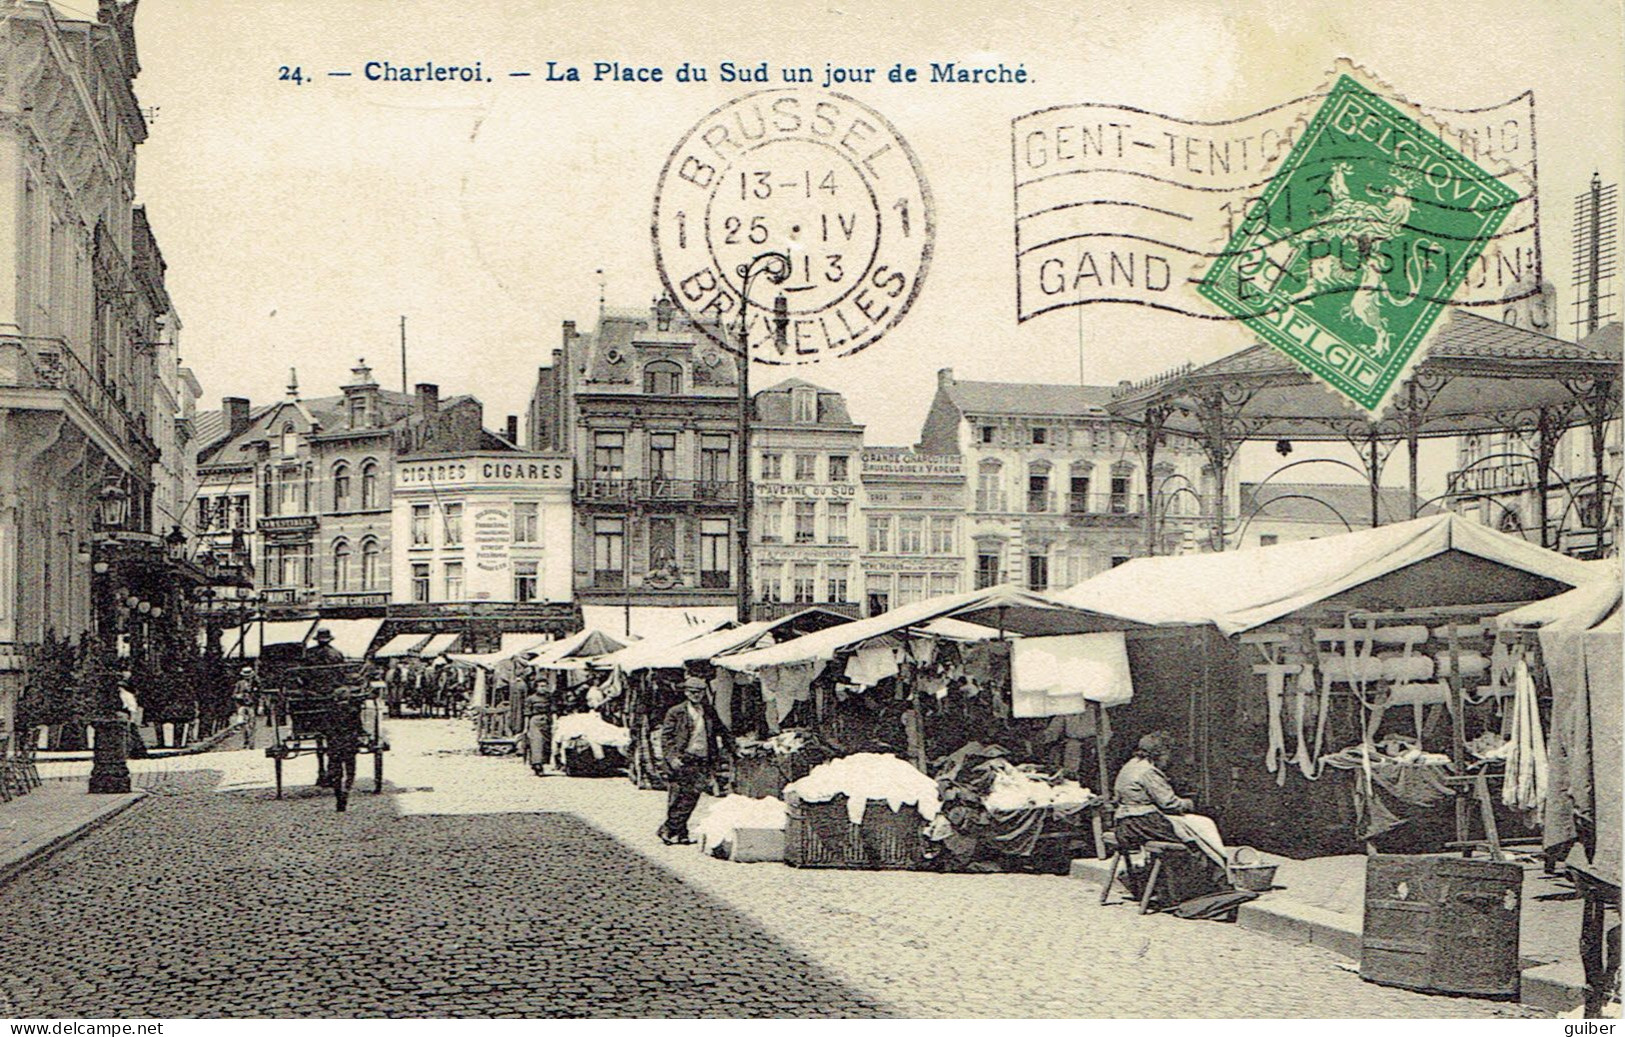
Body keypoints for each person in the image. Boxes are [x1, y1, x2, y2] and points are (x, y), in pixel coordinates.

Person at [1113, 731, 1229, 879]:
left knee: (1188, 831)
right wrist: (1190, 803)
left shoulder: (1130, 765)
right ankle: (1203, 884)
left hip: (1125, 822)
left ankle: (1172, 884)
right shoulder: (1148, 771)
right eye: (1167, 754)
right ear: (1160, 754)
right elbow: (1169, 803)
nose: (1168, 760)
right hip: (1143, 822)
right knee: (1195, 844)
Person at [656, 675, 736, 845]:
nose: (696, 695)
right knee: (679, 796)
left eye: (699, 692)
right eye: (692, 692)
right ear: (686, 692)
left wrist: (734, 750)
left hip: (702, 760)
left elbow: (723, 731)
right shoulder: (676, 712)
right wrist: (672, 758)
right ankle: (679, 832)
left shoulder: (708, 711)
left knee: (692, 796)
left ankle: (669, 828)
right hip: (682, 759)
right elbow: (666, 738)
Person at [323, 689, 365, 811]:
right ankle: (346, 791)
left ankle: (338, 795)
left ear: (335, 698)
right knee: (350, 771)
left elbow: (325, 729)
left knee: (336, 773)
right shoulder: (354, 711)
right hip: (350, 745)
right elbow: (359, 728)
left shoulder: (330, 712)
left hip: (335, 746)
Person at [234, 666, 258, 748]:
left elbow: (260, 695)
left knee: (252, 724)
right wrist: (238, 696)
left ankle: (251, 741)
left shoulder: (256, 683)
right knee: (242, 723)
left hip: (252, 705)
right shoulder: (239, 683)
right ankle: (245, 739)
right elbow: (234, 694)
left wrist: (261, 705)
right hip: (242, 705)